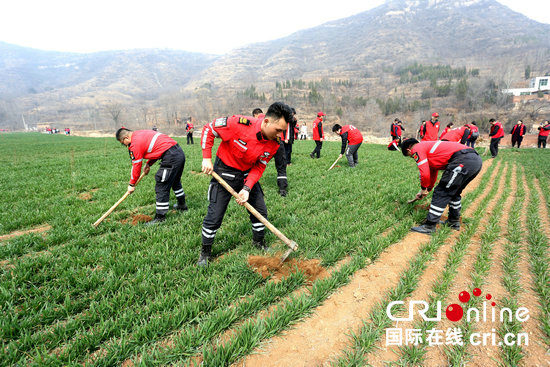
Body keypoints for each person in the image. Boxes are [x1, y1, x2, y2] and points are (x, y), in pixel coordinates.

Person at [198, 102, 293, 267]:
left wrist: (247, 188)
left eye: (283, 131)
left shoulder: (274, 143)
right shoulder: (238, 123)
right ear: (266, 121)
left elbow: (260, 166)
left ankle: (259, 242)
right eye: (278, 130)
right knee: (214, 217)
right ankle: (205, 253)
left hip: (247, 174)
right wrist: (206, 157)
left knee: (260, 211)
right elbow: (209, 129)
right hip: (224, 172)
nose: (280, 134)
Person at [401, 138, 482, 234]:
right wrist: (427, 189)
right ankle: (453, 222)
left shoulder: (417, 148)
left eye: (410, 156)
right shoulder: (428, 148)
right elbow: (432, 172)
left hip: (462, 160)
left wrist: (423, 188)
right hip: (474, 161)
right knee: (454, 192)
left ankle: (429, 226)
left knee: (442, 192)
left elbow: (424, 173)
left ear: (408, 149)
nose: (413, 157)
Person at [116, 127, 187, 225]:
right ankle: (182, 204)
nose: (125, 145)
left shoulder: (134, 144)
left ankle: (160, 217)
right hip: (178, 153)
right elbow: (159, 148)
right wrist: (149, 164)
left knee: (162, 184)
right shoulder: (141, 133)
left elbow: (136, 165)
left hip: (170, 156)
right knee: (174, 180)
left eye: (122, 143)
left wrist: (131, 184)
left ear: (125, 138)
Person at [254, 108, 288, 196]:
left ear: (255, 115)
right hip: (278, 144)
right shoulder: (272, 118)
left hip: (264, 145)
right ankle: (282, 189)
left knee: (256, 166)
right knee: (281, 167)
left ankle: (253, 187)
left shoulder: (257, 121)